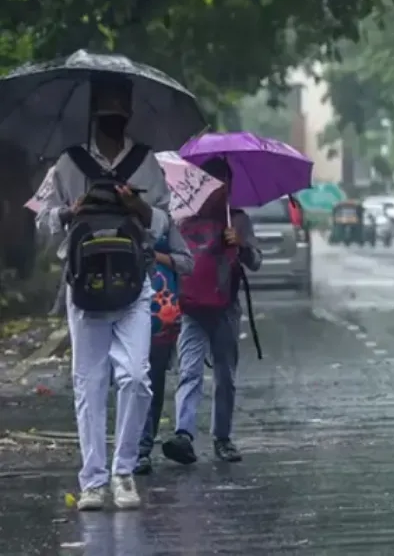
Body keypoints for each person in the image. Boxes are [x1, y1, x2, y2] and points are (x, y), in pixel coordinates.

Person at [34, 73, 171, 510]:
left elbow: (169, 222)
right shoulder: (68, 164)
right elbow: (41, 221)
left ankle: (123, 472)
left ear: (129, 110)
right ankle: (93, 480)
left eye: (120, 105)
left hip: (135, 287)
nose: (114, 113)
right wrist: (68, 211)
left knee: (135, 376)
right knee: (89, 385)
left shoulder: (147, 164)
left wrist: (141, 208)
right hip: (84, 289)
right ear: (94, 111)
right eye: (106, 106)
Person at [161, 156, 262, 466]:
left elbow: (256, 261)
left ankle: (222, 437)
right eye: (211, 182)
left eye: (223, 183)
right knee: (189, 371)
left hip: (225, 307)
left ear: (230, 186)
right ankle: (184, 435)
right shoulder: (182, 218)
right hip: (191, 307)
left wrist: (242, 245)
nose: (217, 189)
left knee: (225, 375)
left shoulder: (239, 219)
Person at [134, 223, 194, 475]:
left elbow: (186, 263)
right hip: (121, 305)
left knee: (153, 381)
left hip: (162, 314)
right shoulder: (112, 217)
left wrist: (155, 255)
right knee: (130, 378)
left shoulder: (164, 223)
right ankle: (130, 446)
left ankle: (142, 448)